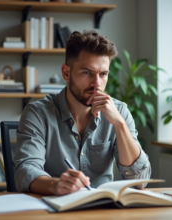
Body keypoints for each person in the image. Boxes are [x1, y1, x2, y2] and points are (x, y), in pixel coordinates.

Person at [14, 30, 151, 195]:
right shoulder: (38, 113)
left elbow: (139, 179)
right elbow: (25, 170)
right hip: (53, 208)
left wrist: (120, 124)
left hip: (102, 209)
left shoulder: (119, 111)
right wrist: (55, 185)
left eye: (103, 74)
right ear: (66, 72)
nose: (97, 83)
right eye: (87, 73)